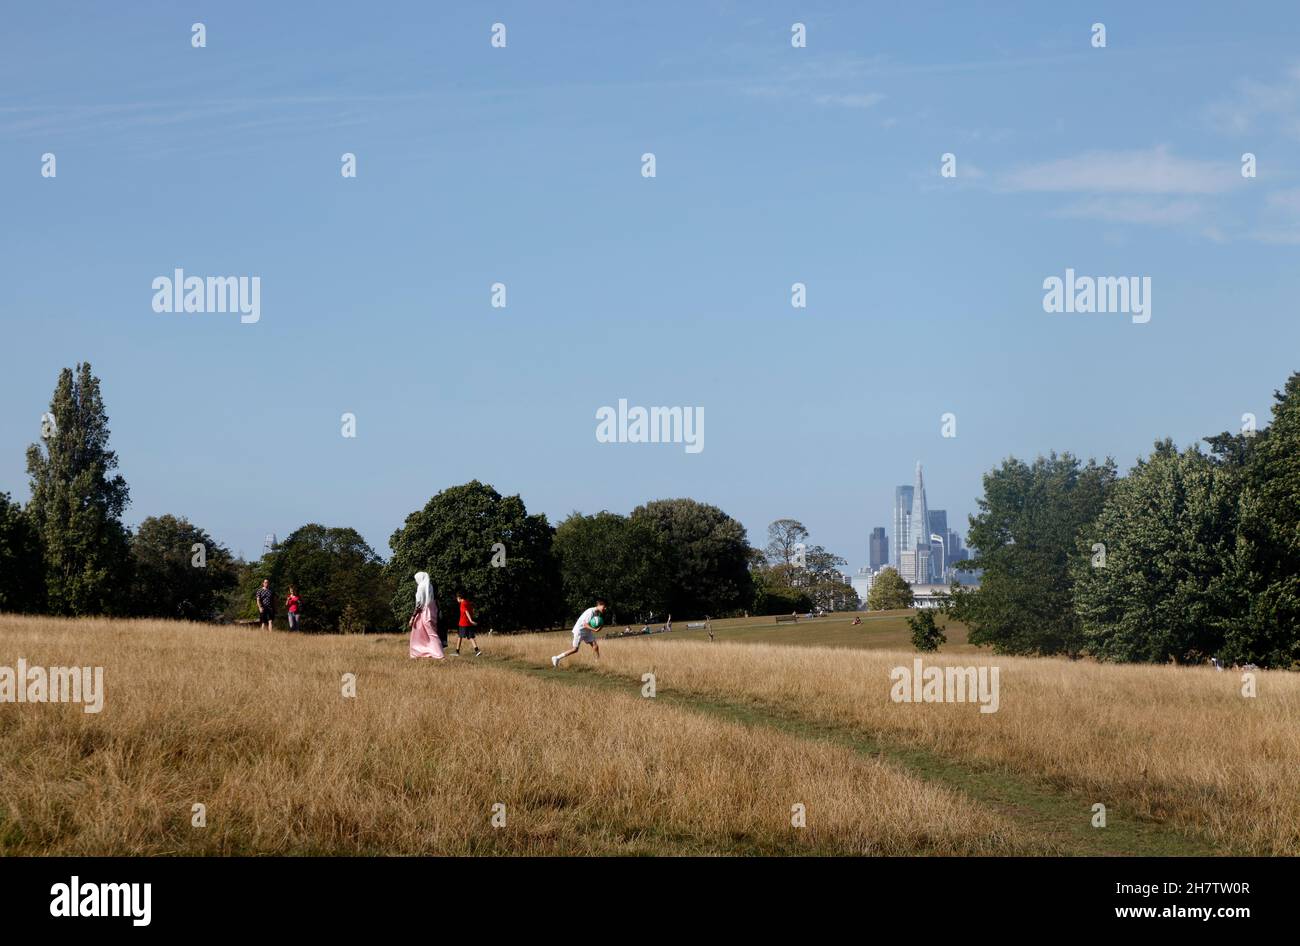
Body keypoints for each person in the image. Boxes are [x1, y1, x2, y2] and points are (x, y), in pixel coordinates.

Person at [552, 598, 607, 667]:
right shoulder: (590, 612)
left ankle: (597, 663)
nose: (605, 608)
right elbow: (585, 624)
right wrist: (594, 630)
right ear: (599, 605)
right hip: (579, 631)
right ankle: (556, 658)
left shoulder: (597, 613)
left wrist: (601, 625)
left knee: (595, 646)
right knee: (575, 649)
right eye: (604, 607)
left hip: (587, 631)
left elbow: (596, 623)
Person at [409, 572, 444, 660]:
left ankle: (439, 655)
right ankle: (424, 652)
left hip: (423, 613)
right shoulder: (430, 586)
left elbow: (419, 604)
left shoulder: (421, 587)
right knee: (427, 634)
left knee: (422, 634)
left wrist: (413, 617)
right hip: (432, 611)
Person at [453, 591, 481, 657]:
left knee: (460, 637)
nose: (457, 599)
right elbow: (471, 611)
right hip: (468, 624)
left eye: (457, 598)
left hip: (463, 623)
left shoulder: (462, 604)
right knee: (471, 637)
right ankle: (477, 651)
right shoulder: (467, 602)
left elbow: (466, 612)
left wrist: (471, 620)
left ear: (459, 597)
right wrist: (471, 620)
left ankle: (457, 652)